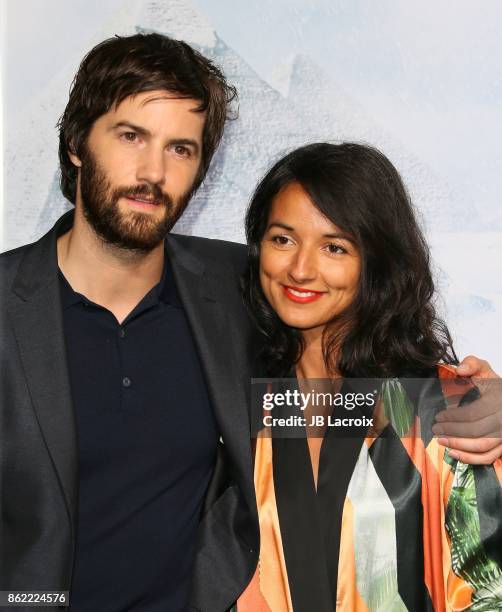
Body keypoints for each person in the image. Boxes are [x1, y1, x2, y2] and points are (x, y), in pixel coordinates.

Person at [0, 33, 499, 612]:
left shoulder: (242, 287)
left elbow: (354, 385)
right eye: (131, 136)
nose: (152, 171)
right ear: (76, 144)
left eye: (181, 149)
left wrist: (478, 398)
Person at [237, 143, 502, 611]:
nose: (300, 268)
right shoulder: (236, 403)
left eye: (334, 247)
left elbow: (490, 591)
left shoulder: (446, 407)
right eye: (282, 239)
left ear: (376, 262)